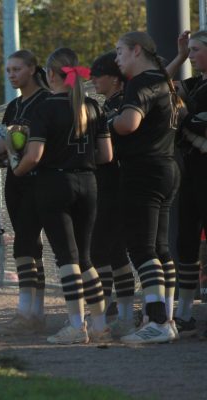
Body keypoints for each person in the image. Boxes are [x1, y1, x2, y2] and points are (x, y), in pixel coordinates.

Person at [14, 47, 112, 344]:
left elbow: (34, 156)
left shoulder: (44, 108)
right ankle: (100, 325)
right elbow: (106, 155)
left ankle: (75, 325)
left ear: (51, 74)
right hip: (88, 182)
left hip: (54, 183)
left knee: (66, 259)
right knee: (85, 259)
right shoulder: (94, 106)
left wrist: (17, 170)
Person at [110, 31, 182, 343]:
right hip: (166, 168)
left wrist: (105, 119)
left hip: (143, 171)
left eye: (119, 52)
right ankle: (167, 319)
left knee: (142, 248)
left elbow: (128, 124)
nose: (117, 60)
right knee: (161, 250)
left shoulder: (141, 82)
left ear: (136, 50)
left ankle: (157, 321)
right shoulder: (162, 80)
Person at [0, 49, 50, 336]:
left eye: (17, 69)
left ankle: (29, 312)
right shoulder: (13, 106)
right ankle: (32, 313)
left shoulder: (46, 101)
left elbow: (38, 145)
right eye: (8, 69)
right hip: (17, 181)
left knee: (29, 244)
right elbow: (8, 144)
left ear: (32, 69)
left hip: (41, 179)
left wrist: (10, 146)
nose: (11, 74)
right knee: (26, 245)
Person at [88, 51, 137, 338]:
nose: (93, 79)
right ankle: (123, 314)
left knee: (102, 252)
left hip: (117, 186)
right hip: (109, 187)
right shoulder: (109, 105)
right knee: (115, 252)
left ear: (115, 79)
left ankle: (107, 314)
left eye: (98, 74)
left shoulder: (122, 105)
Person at [165, 30, 207, 338]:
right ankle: (183, 314)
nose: (191, 54)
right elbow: (158, 84)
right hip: (191, 171)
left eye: (195, 49)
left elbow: (192, 121)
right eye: (189, 50)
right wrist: (178, 56)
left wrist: (187, 119)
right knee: (186, 243)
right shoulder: (194, 84)